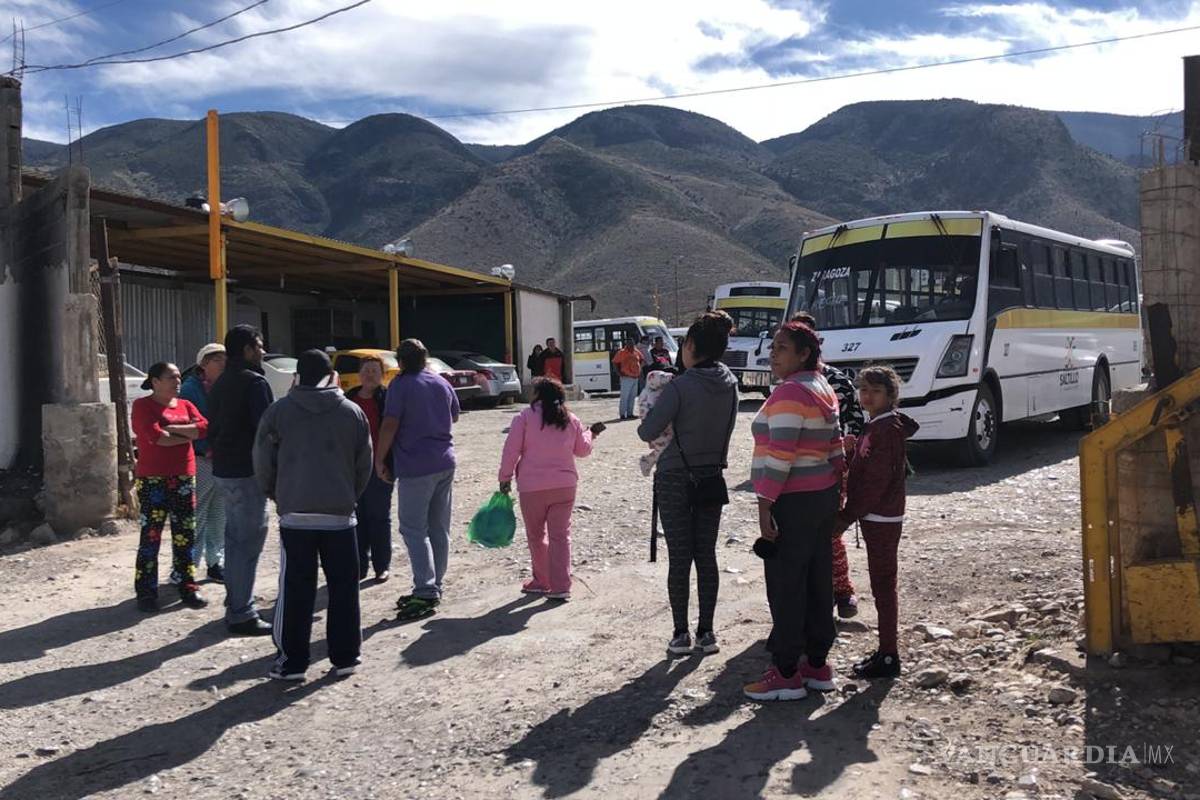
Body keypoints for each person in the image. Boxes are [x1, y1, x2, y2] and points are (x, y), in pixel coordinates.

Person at [253, 350, 373, 681]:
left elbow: (263, 463)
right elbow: (364, 465)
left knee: (295, 589)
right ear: (332, 375)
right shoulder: (352, 413)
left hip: (296, 516)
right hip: (340, 516)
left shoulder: (278, 412)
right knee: (344, 588)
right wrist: (347, 496)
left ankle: (292, 663)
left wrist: (278, 495)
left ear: (297, 377)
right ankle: (345, 656)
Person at [743, 321, 845, 702]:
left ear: (804, 353)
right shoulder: (822, 388)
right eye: (773, 347)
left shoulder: (789, 392)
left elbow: (781, 455)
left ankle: (785, 671)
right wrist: (836, 492)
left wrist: (764, 503)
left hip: (793, 500)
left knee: (786, 585)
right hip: (821, 496)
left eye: (782, 348)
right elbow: (836, 448)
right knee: (818, 579)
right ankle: (816, 664)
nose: (774, 354)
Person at [638, 312, 738, 656]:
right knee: (706, 555)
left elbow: (647, 431)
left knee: (680, 557)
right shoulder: (730, 384)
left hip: (674, 478)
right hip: (712, 476)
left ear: (692, 345)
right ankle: (707, 633)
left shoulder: (680, 386)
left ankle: (680, 634)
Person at [834, 366, 918, 680]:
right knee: (882, 585)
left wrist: (845, 517)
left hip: (882, 515)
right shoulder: (876, 425)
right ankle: (885, 649)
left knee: (884, 586)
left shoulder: (887, 429)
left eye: (876, 391)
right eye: (864, 389)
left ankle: (888, 655)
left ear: (890, 395)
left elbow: (876, 482)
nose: (867, 395)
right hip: (876, 515)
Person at [376, 339, 460, 622]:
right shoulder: (440, 382)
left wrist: (379, 458)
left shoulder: (400, 385)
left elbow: (390, 424)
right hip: (444, 461)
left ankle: (425, 590)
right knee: (439, 527)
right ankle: (436, 583)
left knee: (413, 529)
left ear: (399, 362)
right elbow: (455, 416)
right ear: (426, 359)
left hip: (415, 465)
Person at [498, 379, 604, 601]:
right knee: (560, 536)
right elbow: (583, 450)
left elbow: (511, 451)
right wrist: (591, 434)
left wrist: (504, 478)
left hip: (532, 487)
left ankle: (542, 580)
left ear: (537, 395)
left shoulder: (524, 418)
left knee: (536, 535)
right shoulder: (570, 419)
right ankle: (561, 585)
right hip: (565, 486)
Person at [792, 311, 866, 619]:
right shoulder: (786, 383)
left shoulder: (837, 380)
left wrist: (845, 451)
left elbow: (856, 426)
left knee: (831, 533)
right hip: (793, 473)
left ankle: (842, 592)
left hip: (832, 470)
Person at [208, 324, 275, 636]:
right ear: (247, 349)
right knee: (247, 543)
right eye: (259, 345)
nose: (262, 351)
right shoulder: (254, 382)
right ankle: (241, 612)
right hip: (247, 473)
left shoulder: (221, 382)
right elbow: (267, 432)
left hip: (224, 470)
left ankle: (235, 600)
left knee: (234, 539)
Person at [130, 362, 209, 612]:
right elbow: (156, 438)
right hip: (153, 478)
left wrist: (173, 428)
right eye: (171, 377)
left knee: (185, 534)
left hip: (184, 476)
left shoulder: (186, 405)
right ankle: (146, 591)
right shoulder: (142, 406)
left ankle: (187, 585)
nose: (177, 382)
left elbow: (203, 429)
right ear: (155, 381)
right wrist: (187, 434)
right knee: (151, 535)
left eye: (178, 377)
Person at [179, 342, 227, 585]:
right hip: (201, 458)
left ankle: (214, 562)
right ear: (204, 364)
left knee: (219, 514)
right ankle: (188, 565)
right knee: (197, 514)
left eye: (224, 359)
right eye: (217, 359)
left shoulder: (224, 387)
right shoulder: (191, 390)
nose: (223, 364)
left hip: (222, 459)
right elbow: (194, 426)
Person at [347, 355, 394, 582]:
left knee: (379, 516)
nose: (370, 374)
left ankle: (381, 565)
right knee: (357, 518)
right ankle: (359, 566)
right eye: (366, 370)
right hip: (352, 469)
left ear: (382, 375)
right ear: (359, 373)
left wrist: (387, 463)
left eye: (375, 370)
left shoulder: (387, 398)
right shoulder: (348, 398)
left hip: (380, 467)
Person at [637, 368, 676, 476]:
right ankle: (648, 461)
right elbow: (645, 413)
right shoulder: (649, 394)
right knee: (663, 448)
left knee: (664, 448)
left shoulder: (654, 392)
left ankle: (650, 462)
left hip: (661, 426)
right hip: (658, 428)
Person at [612, 340, 645, 420]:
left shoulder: (636, 351)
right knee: (624, 396)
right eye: (629, 344)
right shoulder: (621, 352)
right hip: (626, 377)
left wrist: (639, 369)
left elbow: (642, 359)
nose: (631, 346)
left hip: (635, 377)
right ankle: (622, 414)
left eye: (632, 344)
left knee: (632, 396)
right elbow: (614, 362)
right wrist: (619, 373)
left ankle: (630, 413)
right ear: (626, 345)